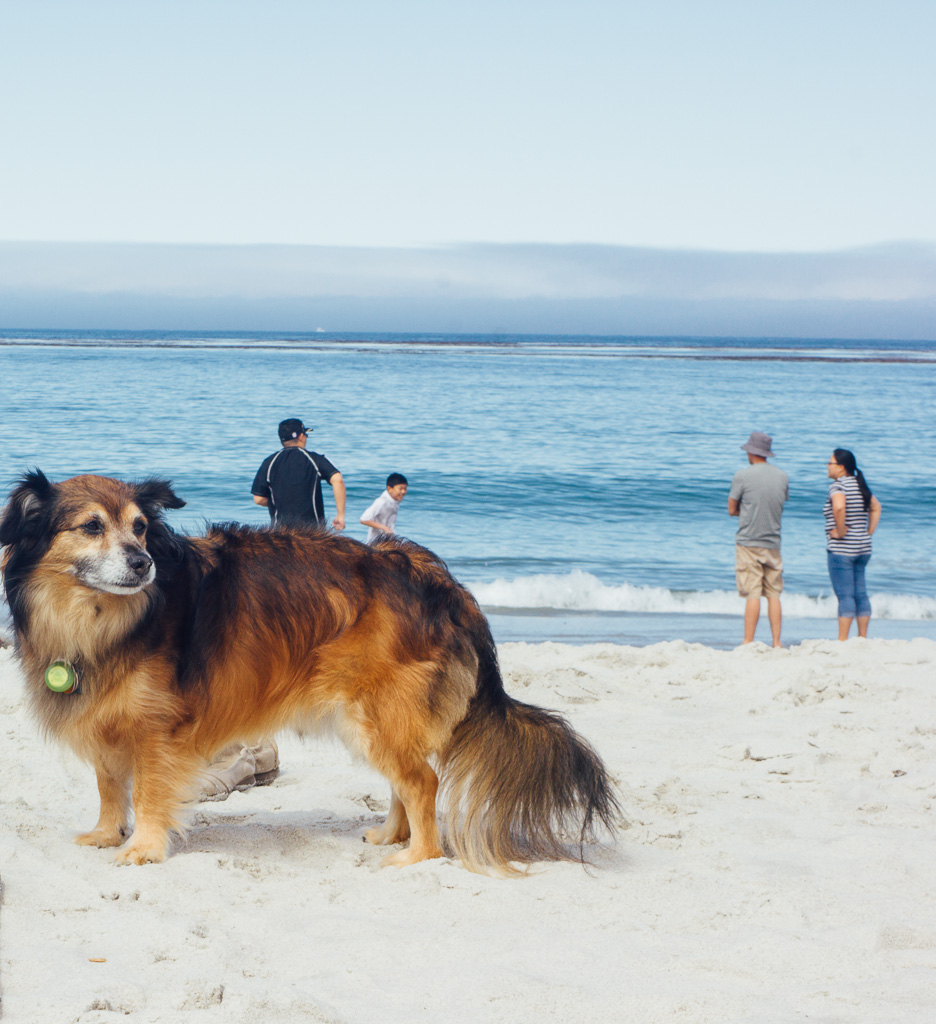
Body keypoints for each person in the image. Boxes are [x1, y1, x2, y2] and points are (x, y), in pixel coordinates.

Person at [728, 431, 789, 648]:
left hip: (748, 541)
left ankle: (748, 641)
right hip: (773, 542)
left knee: (752, 593)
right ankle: (777, 642)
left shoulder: (742, 476)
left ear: (751, 452)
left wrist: (745, 513)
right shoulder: (782, 476)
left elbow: (731, 509)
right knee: (773, 593)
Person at [824, 448, 882, 640]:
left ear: (841, 467)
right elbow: (876, 507)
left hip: (842, 549)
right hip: (863, 547)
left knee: (845, 595)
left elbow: (839, 507)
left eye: (830, 463)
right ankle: (862, 637)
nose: (827, 466)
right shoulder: (859, 484)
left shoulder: (838, 486)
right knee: (860, 593)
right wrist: (869, 531)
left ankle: (842, 640)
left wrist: (840, 532)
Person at [251, 418, 346, 530]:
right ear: (301, 437)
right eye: (306, 435)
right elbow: (337, 479)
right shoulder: (314, 459)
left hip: (280, 536)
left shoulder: (269, 462)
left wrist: (283, 502)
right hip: (313, 534)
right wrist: (340, 515)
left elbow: (258, 499)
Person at [360, 473, 408, 544]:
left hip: (387, 541)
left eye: (405, 489)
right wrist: (385, 528)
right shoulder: (381, 502)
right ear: (389, 488)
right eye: (400, 488)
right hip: (376, 543)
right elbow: (364, 519)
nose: (403, 491)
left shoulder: (395, 501)